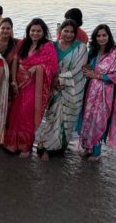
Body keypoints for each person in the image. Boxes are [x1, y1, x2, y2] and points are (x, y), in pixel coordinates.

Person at [4, 18, 58, 158]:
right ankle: (12, 144)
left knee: (26, 115)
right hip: (19, 84)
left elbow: (52, 68)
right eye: (32, 30)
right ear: (28, 31)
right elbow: (15, 61)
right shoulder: (23, 43)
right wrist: (14, 81)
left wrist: (37, 68)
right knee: (15, 113)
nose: (35, 33)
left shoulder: (47, 46)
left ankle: (25, 147)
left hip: (35, 86)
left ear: (43, 32)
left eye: (38, 31)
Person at [37, 19, 88, 161]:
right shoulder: (52, 46)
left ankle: (59, 147)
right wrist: (52, 82)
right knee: (52, 118)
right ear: (60, 32)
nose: (69, 34)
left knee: (67, 121)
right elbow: (45, 66)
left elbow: (79, 69)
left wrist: (60, 79)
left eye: (72, 32)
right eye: (66, 31)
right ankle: (46, 147)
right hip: (53, 89)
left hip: (72, 90)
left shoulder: (81, 48)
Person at [77, 24, 116, 162]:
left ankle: (97, 152)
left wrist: (96, 76)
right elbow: (88, 70)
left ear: (109, 36)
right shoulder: (93, 52)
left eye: (104, 35)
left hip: (105, 94)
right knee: (88, 118)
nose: (101, 38)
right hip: (90, 92)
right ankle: (87, 147)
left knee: (99, 121)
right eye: (98, 36)